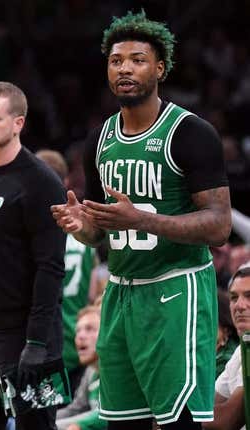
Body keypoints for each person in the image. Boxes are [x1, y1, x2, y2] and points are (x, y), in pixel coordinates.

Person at [51, 10, 232, 429]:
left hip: (176, 289)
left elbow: (220, 227)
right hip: (120, 294)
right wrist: (84, 227)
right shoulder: (100, 138)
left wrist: (143, 219)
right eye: (116, 61)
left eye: (137, 59)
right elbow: (102, 230)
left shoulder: (191, 132)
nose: (125, 68)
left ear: (160, 68)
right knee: (122, 423)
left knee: (178, 423)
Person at [0, 81, 66, 430]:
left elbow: (51, 266)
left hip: (29, 335)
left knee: (37, 427)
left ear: (18, 123)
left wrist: (37, 341)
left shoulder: (42, 181)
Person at [37, 149, 97, 392]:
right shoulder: (83, 234)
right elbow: (92, 296)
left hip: (43, 344)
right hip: (78, 342)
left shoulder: (35, 232)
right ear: (66, 182)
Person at [203, 262, 250, 430]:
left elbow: (228, 419)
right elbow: (209, 405)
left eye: (249, 296)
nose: (239, 305)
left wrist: (172, 419)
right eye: (234, 298)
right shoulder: (241, 350)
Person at [55, 305, 106, 430]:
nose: (80, 336)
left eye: (90, 329)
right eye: (78, 330)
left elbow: (106, 415)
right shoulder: (91, 371)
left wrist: (53, 426)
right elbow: (75, 409)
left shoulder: (117, 370)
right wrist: (43, 420)